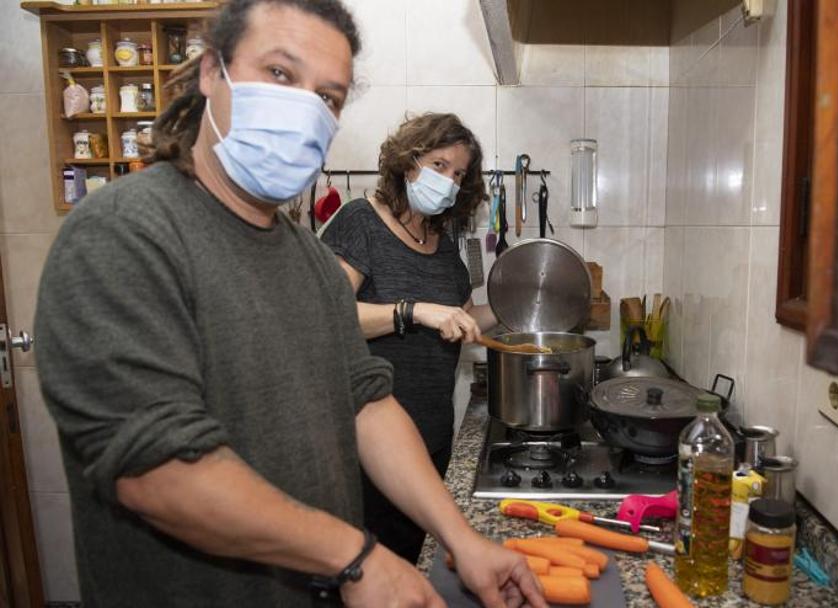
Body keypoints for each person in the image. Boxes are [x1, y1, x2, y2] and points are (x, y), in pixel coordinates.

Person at [32, 1, 545, 607]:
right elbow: (157, 471)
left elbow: (368, 407)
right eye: (280, 74)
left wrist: (461, 539)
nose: (304, 109)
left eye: (327, 97)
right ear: (210, 74)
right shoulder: (124, 234)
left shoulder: (305, 258)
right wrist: (356, 559)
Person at [321, 113, 499, 563]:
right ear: (408, 161)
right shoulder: (360, 222)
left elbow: (456, 317)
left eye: (458, 174)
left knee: (413, 566)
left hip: (432, 437)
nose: (449, 181)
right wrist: (411, 311)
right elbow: (327, 317)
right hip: (367, 446)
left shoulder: (442, 239)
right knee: (368, 573)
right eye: (439, 165)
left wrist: (520, 304)